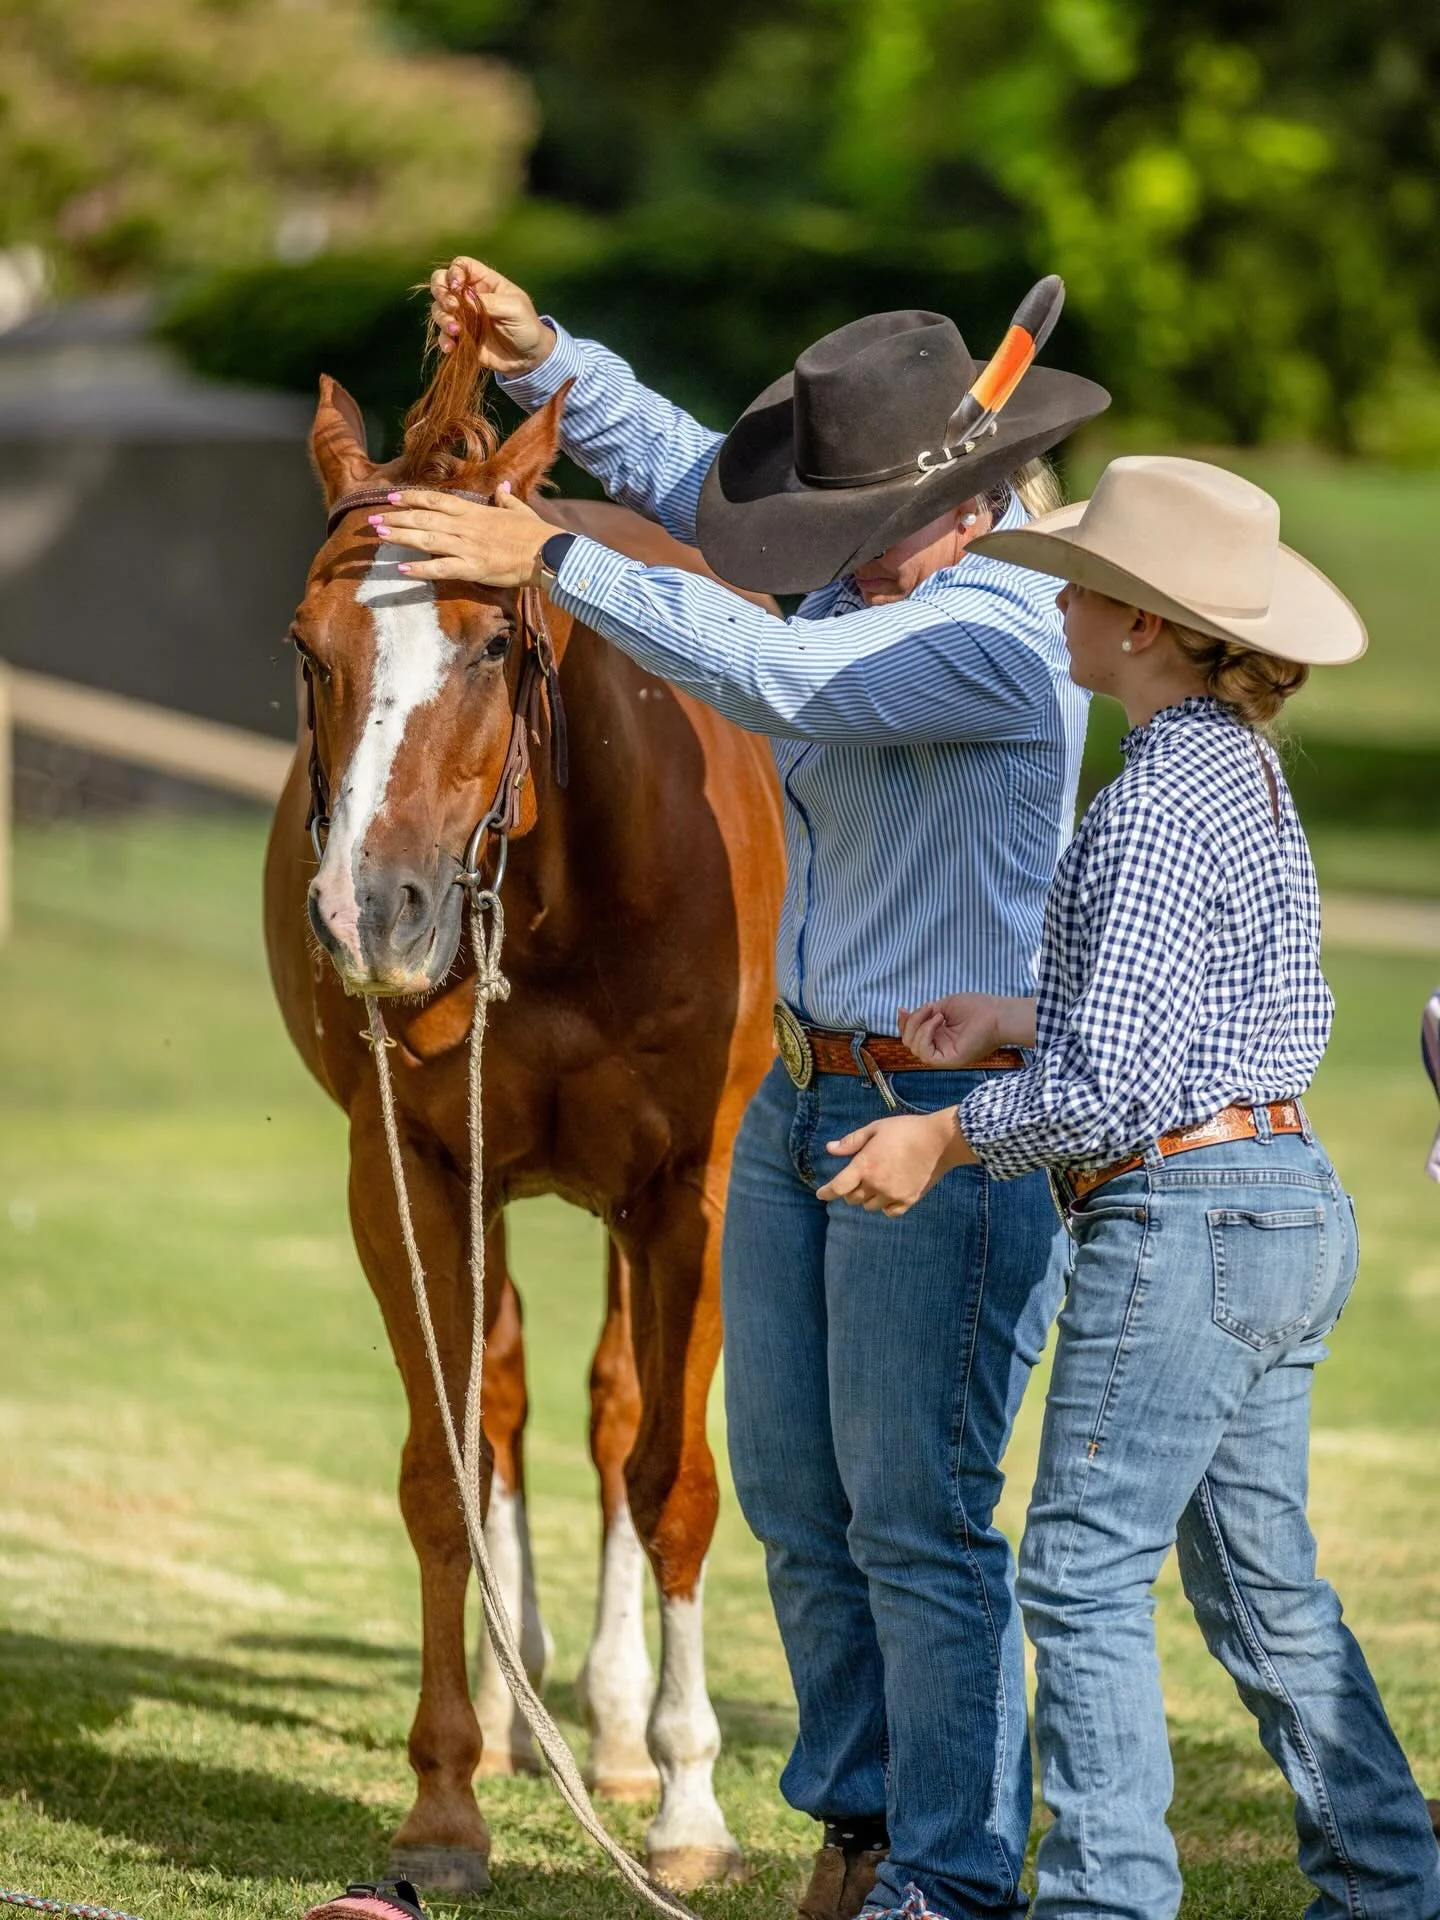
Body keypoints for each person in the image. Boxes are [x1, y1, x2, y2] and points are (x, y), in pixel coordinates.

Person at [373, 257, 1108, 1920]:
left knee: (916, 1516)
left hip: (946, 1124)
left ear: (961, 503)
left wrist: (545, 551)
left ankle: (950, 1869)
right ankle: (860, 1827)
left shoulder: (997, 639)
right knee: (790, 1489)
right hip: (802, 1104)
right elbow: (704, 489)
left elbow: (779, 680)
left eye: (842, 507)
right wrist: (544, 354)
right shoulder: (869, 581)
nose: (808, 538)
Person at [819, 455, 1440, 1920]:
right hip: (1281, 1196)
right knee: (1260, 1586)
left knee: (1082, 1579)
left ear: (1144, 626)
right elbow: (1235, 1011)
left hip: (1185, 1222)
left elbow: (1112, 1095)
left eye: (1086, 585)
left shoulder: (1157, 799)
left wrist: (945, 1134)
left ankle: (1106, 1904)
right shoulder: (1236, 768)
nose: (1065, 603)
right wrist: (1016, 1016)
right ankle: (1391, 1888)